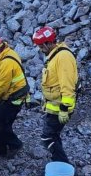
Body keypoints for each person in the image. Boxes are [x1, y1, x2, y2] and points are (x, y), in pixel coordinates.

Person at [32, 26, 78, 166]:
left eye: (41, 45)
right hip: (54, 107)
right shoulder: (55, 56)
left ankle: (64, 168)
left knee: (48, 138)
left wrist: (65, 108)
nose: (40, 49)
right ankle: (61, 165)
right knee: (53, 136)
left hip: (60, 108)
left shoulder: (63, 57)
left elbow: (67, 86)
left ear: (48, 43)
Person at [0, 36, 30, 158]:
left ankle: (15, 144)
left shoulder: (6, 62)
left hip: (15, 96)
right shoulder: (8, 53)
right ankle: (0, 148)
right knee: (4, 122)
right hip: (15, 93)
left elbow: (2, 86)